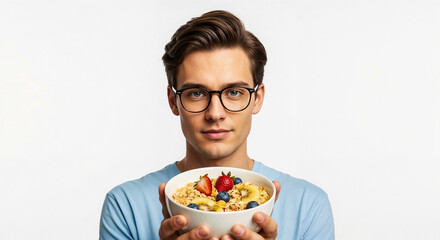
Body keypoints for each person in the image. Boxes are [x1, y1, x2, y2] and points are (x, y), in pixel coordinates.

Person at [99, 10, 335, 240]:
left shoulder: (309, 206)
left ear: (257, 98)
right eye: (196, 93)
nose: (215, 113)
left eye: (234, 92)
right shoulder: (125, 206)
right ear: (173, 101)